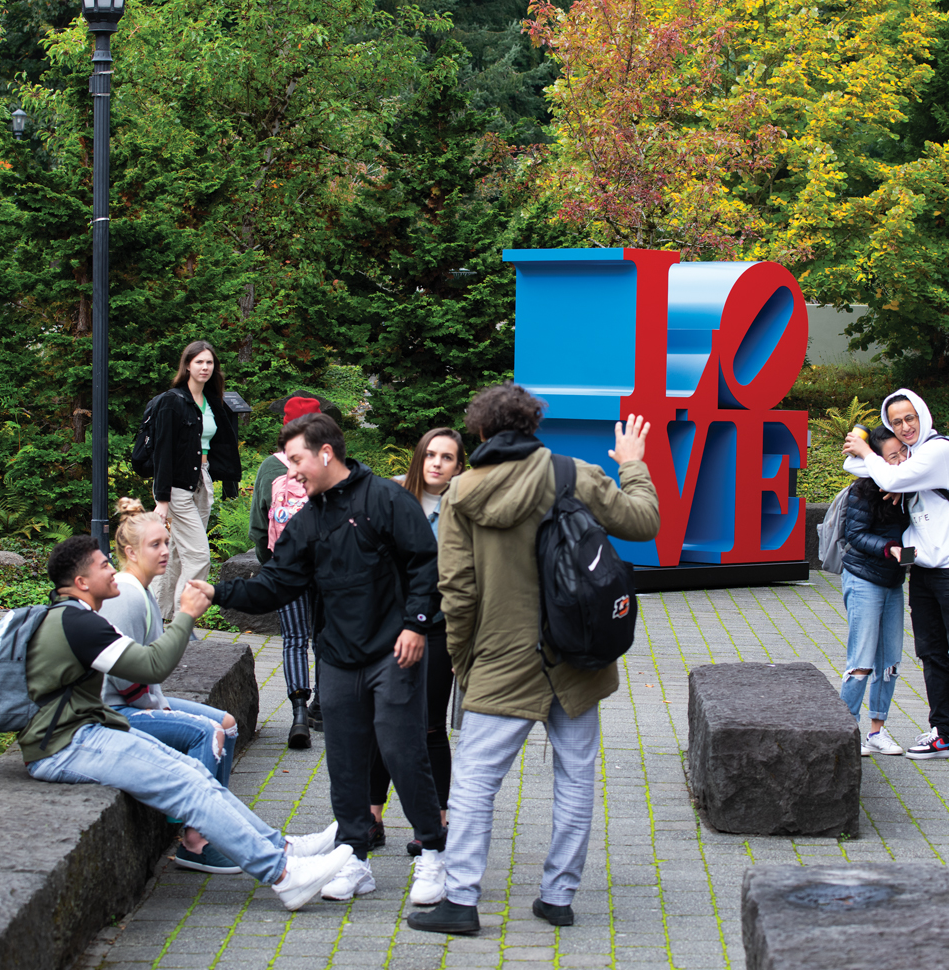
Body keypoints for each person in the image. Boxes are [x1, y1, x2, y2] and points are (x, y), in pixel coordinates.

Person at [408, 386, 659, 936]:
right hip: (577, 655)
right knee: (575, 775)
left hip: (500, 658)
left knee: (474, 782)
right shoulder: (574, 474)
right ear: (531, 426)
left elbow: (456, 591)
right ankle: (558, 897)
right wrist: (635, 467)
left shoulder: (462, 492)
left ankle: (461, 901)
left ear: (478, 433)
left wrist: (464, 663)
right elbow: (643, 524)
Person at [194, 413, 449, 906]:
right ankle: (354, 859)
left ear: (325, 453)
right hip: (337, 656)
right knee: (346, 760)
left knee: (402, 750)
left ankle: (433, 855)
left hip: (394, 649)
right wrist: (219, 592)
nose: (291, 473)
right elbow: (278, 583)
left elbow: (426, 563)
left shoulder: (386, 499)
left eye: (296, 461)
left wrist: (416, 624)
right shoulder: (308, 520)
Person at [23, 536, 353, 910]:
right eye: (102, 565)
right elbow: (152, 667)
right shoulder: (78, 623)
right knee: (186, 782)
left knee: (192, 776)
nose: (112, 569)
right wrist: (186, 614)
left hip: (81, 733)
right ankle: (284, 875)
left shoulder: (70, 616)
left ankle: (283, 851)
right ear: (81, 582)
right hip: (64, 745)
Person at [843, 389, 949, 767]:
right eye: (896, 422)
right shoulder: (906, 459)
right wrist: (868, 451)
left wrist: (877, 460)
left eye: (910, 418)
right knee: (930, 655)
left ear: (923, 414)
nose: (905, 427)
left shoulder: (939, 450)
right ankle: (942, 731)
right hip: (924, 570)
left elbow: (893, 472)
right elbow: (857, 469)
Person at [100, 497, 242, 873]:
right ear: (129, 551)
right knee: (207, 731)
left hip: (139, 700)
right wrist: (160, 708)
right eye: (155, 545)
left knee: (228, 724)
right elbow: (120, 672)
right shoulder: (125, 595)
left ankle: (210, 828)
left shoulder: (142, 589)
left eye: (167, 542)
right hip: (115, 710)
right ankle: (196, 842)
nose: (165, 551)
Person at [368, 427, 465, 850]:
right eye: (430, 455)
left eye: (446, 457)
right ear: (419, 458)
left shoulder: (463, 509)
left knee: (428, 727)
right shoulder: (393, 500)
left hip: (440, 630)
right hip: (391, 627)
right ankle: (371, 816)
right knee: (383, 723)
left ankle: (437, 822)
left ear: (459, 467)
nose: (437, 463)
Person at [248, 393, 327, 749]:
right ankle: (323, 707)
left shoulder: (270, 467)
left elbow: (257, 529)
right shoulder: (330, 462)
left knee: (294, 639)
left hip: (287, 568)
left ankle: (297, 714)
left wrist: (274, 568)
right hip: (326, 569)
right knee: (324, 637)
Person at [149, 340, 241, 620]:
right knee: (199, 556)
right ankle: (182, 621)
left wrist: (227, 481)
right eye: (199, 362)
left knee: (177, 552)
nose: (205, 367)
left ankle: (153, 614)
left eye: (209, 362)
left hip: (202, 480)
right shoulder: (171, 402)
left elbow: (224, 445)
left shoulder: (212, 402)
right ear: (187, 365)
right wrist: (161, 499)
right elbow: (162, 452)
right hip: (176, 487)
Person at [839, 425, 910, 757]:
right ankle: (846, 727)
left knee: (890, 662)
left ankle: (877, 731)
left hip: (893, 581)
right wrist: (889, 548)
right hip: (864, 578)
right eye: (892, 456)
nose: (900, 461)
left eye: (903, 453)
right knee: (862, 660)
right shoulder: (864, 490)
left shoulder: (911, 486)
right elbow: (854, 534)